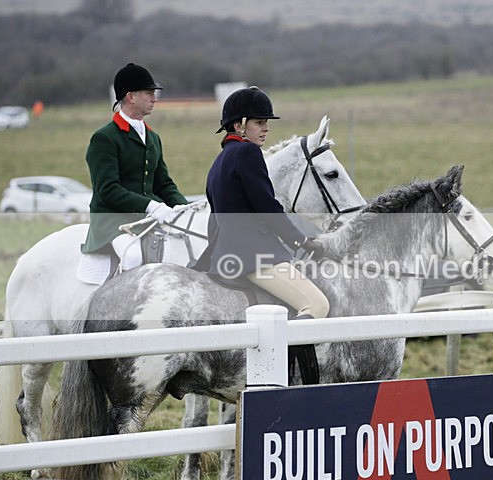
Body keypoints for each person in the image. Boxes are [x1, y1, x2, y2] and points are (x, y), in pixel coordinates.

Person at [205, 86, 329, 383]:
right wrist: (301, 240)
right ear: (239, 125)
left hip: (227, 254)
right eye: (259, 122)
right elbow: (267, 207)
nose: (266, 128)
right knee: (317, 305)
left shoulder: (219, 160)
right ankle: (285, 374)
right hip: (254, 256)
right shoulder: (248, 153)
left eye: (266, 122)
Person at [81, 62, 189, 270]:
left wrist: (182, 207)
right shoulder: (105, 138)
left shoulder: (153, 137)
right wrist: (150, 206)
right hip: (112, 222)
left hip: (145, 219)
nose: (154, 99)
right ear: (131, 96)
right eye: (149, 93)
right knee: (132, 256)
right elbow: (107, 190)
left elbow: (163, 184)